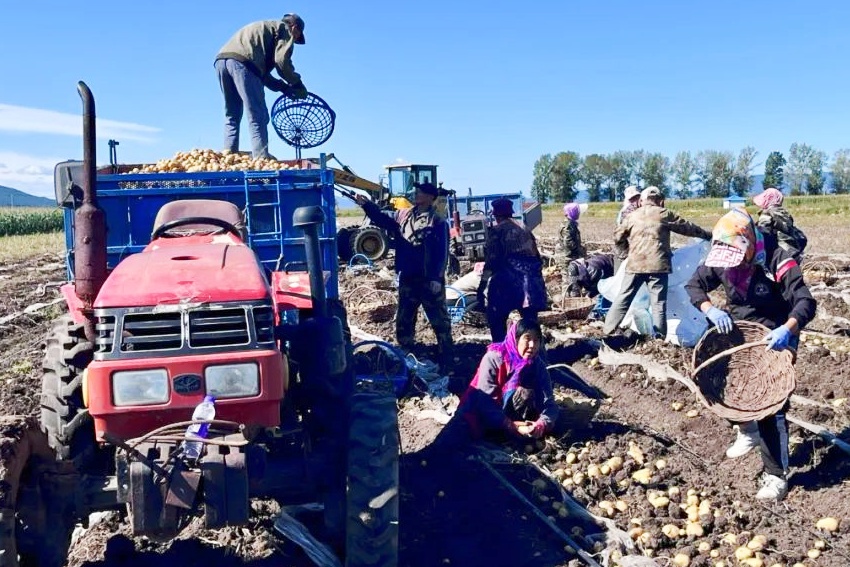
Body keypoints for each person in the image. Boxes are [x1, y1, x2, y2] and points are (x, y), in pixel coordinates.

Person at [685, 207, 816, 500]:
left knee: (772, 407)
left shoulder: (777, 259)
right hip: (739, 331)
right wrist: (710, 309)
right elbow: (694, 285)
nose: (731, 265)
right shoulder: (723, 255)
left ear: (748, 244)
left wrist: (788, 330)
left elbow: (806, 302)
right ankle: (747, 430)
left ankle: (776, 476)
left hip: (776, 334)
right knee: (725, 389)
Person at [353, 183, 454, 370]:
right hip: (408, 275)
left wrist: (436, 277)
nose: (416, 194)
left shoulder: (437, 221)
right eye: (416, 191)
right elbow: (383, 220)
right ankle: (406, 348)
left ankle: (446, 351)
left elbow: (442, 253)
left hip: (428, 279)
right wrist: (367, 205)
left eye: (421, 192)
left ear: (431, 197)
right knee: (405, 316)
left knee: (438, 316)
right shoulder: (404, 214)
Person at [604, 186, 711, 339]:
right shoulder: (664, 214)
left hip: (635, 264)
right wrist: (707, 235)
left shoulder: (632, 216)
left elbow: (618, 236)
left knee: (624, 298)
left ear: (642, 201)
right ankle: (659, 339)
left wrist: (627, 250)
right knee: (658, 304)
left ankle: (607, 331)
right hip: (658, 266)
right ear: (661, 201)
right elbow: (687, 228)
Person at [215, 14, 309, 159]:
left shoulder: (266, 30)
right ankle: (261, 158)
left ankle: (229, 156)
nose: (294, 41)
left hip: (222, 61)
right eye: (297, 37)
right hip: (243, 64)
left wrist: (283, 87)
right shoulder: (284, 30)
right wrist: (297, 83)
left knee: (232, 113)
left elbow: (261, 75)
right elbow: (282, 62)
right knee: (257, 115)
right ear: (295, 28)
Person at [455, 319, 559, 442]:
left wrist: (541, 424)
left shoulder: (537, 365)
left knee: (527, 395)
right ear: (515, 339)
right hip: (482, 414)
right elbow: (484, 402)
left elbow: (549, 405)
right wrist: (510, 425)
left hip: (514, 419)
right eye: (527, 338)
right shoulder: (493, 359)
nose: (532, 345)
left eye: (536, 340)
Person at [477, 198, 547, 342]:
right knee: (530, 321)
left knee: (495, 318)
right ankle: (537, 353)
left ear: (496, 215)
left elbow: (492, 262)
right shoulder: (524, 228)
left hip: (509, 282)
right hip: (531, 281)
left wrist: (482, 285)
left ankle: (501, 352)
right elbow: (536, 256)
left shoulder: (497, 232)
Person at [753, 187, 807, 261]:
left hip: (778, 252)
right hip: (791, 249)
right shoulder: (784, 213)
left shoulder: (767, 214)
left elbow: (762, 232)